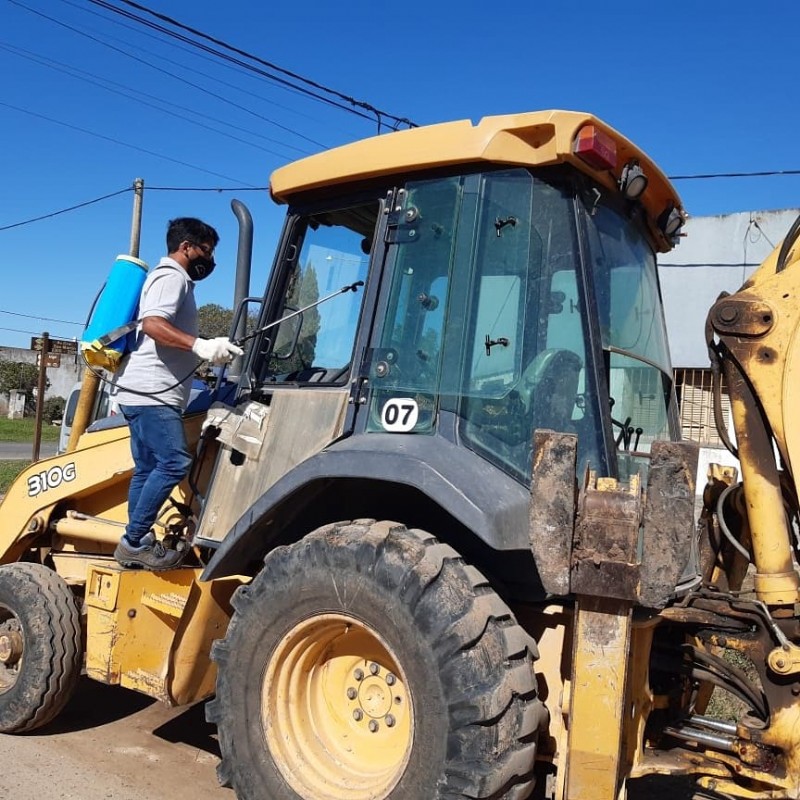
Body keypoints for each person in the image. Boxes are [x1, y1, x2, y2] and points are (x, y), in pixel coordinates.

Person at [111, 217, 243, 570]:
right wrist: (199, 345)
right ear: (186, 247)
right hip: (153, 394)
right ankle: (133, 542)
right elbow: (154, 324)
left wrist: (208, 351)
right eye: (206, 250)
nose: (210, 260)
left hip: (138, 392)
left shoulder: (169, 278)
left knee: (147, 467)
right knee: (174, 462)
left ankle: (135, 541)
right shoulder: (172, 277)